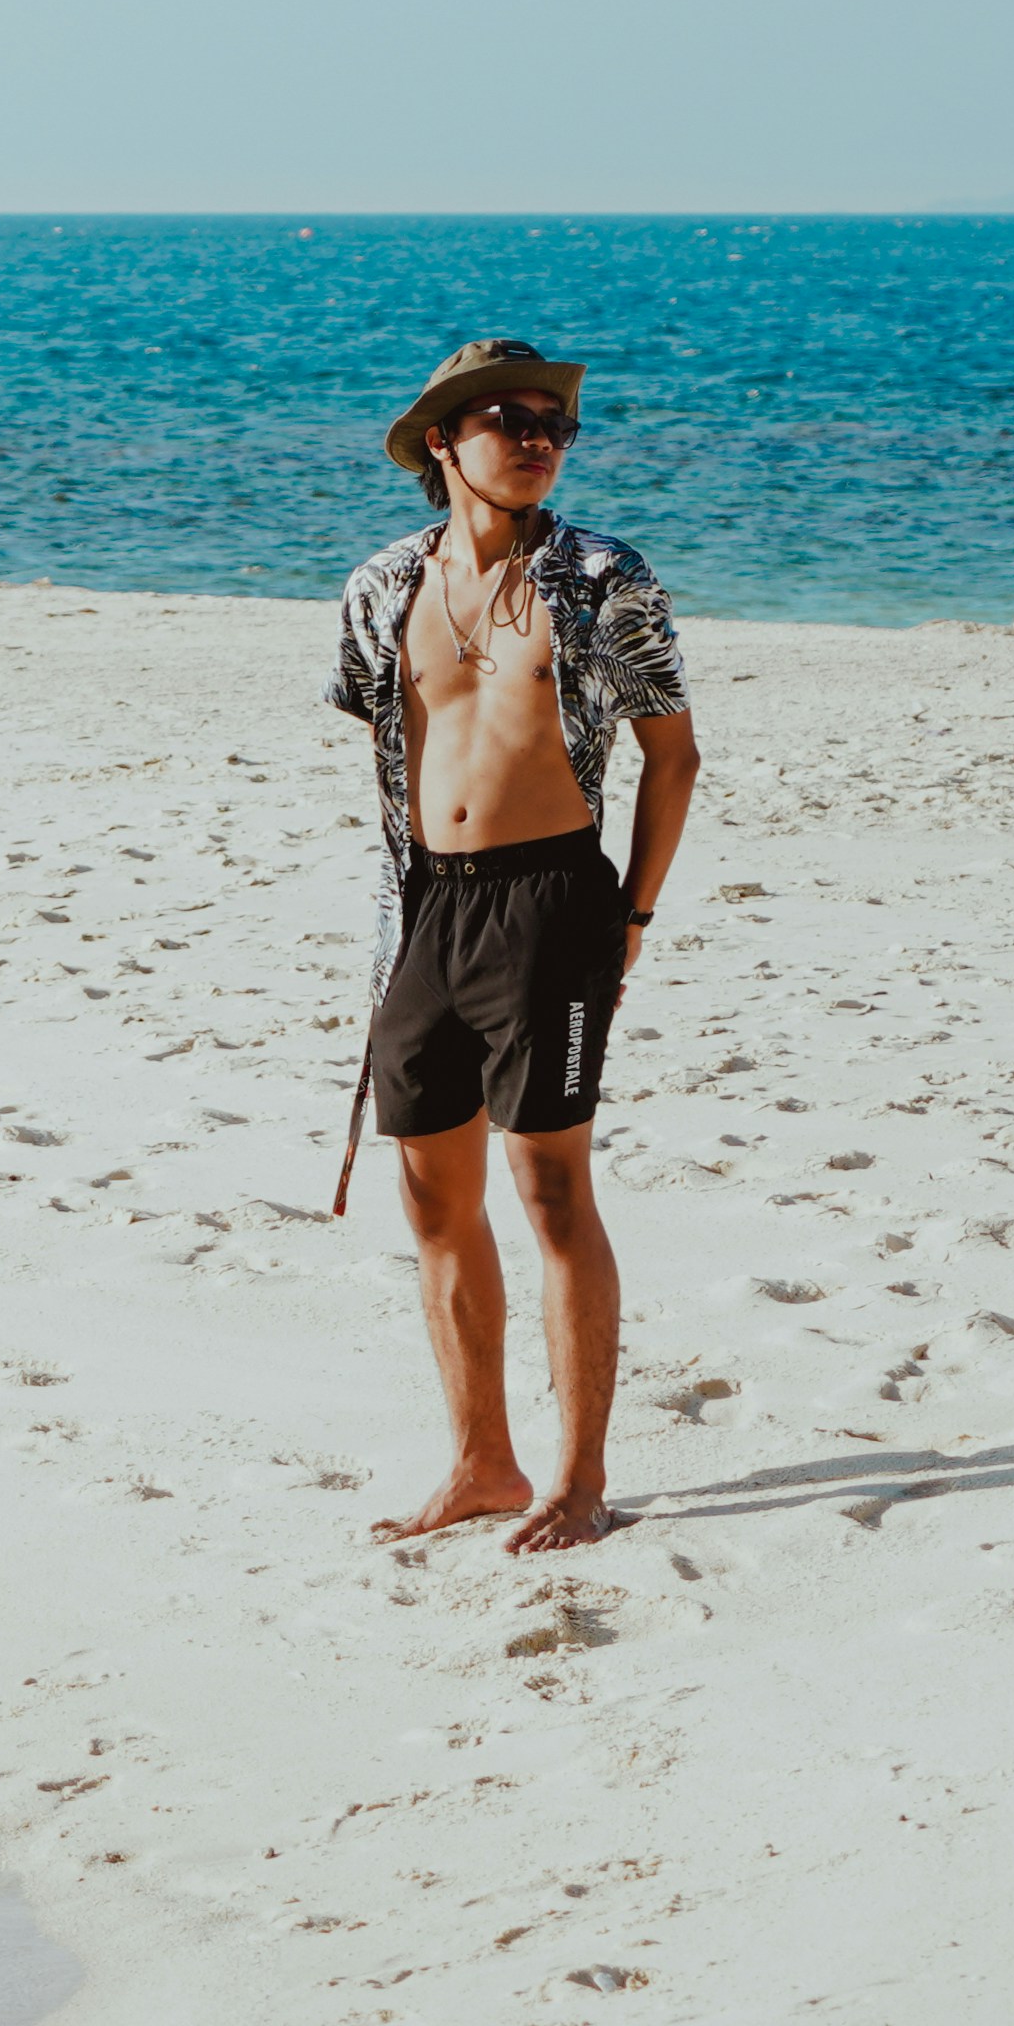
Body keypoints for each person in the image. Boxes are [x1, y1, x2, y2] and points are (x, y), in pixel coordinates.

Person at [321, 337, 700, 1554]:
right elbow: (391, 750)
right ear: (444, 439)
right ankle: (481, 1460)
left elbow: (672, 754)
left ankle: (579, 1479)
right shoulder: (381, 585)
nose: (538, 435)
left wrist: (629, 918)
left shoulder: (603, 576)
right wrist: (405, 918)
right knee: (433, 1198)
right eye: (508, 416)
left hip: (553, 903)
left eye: (555, 420)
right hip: (426, 910)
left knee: (548, 1185)